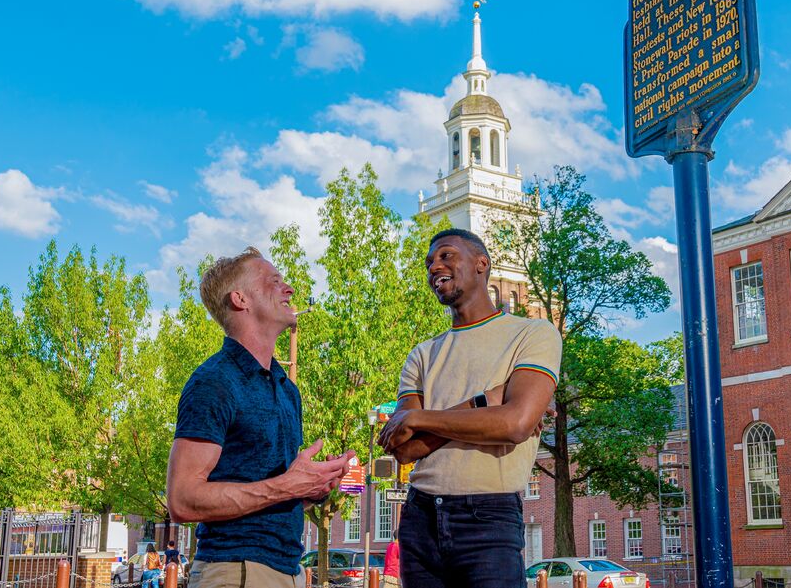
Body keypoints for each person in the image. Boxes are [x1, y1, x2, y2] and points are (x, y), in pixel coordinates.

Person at [378, 229, 561, 588]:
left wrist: (418, 416)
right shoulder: (422, 354)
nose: (435, 266)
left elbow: (515, 424)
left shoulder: (533, 334)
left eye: (446, 256)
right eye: (429, 262)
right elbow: (406, 449)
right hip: (420, 517)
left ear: (482, 265)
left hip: (488, 517)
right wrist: (488, 400)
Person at [166, 246, 355, 588]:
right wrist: (286, 486)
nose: (289, 289)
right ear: (240, 299)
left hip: (290, 570)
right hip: (235, 570)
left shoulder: (287, 389)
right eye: (273, 281)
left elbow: (276, 488)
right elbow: (181, 499)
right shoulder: (214, 381)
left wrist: (313, 488)